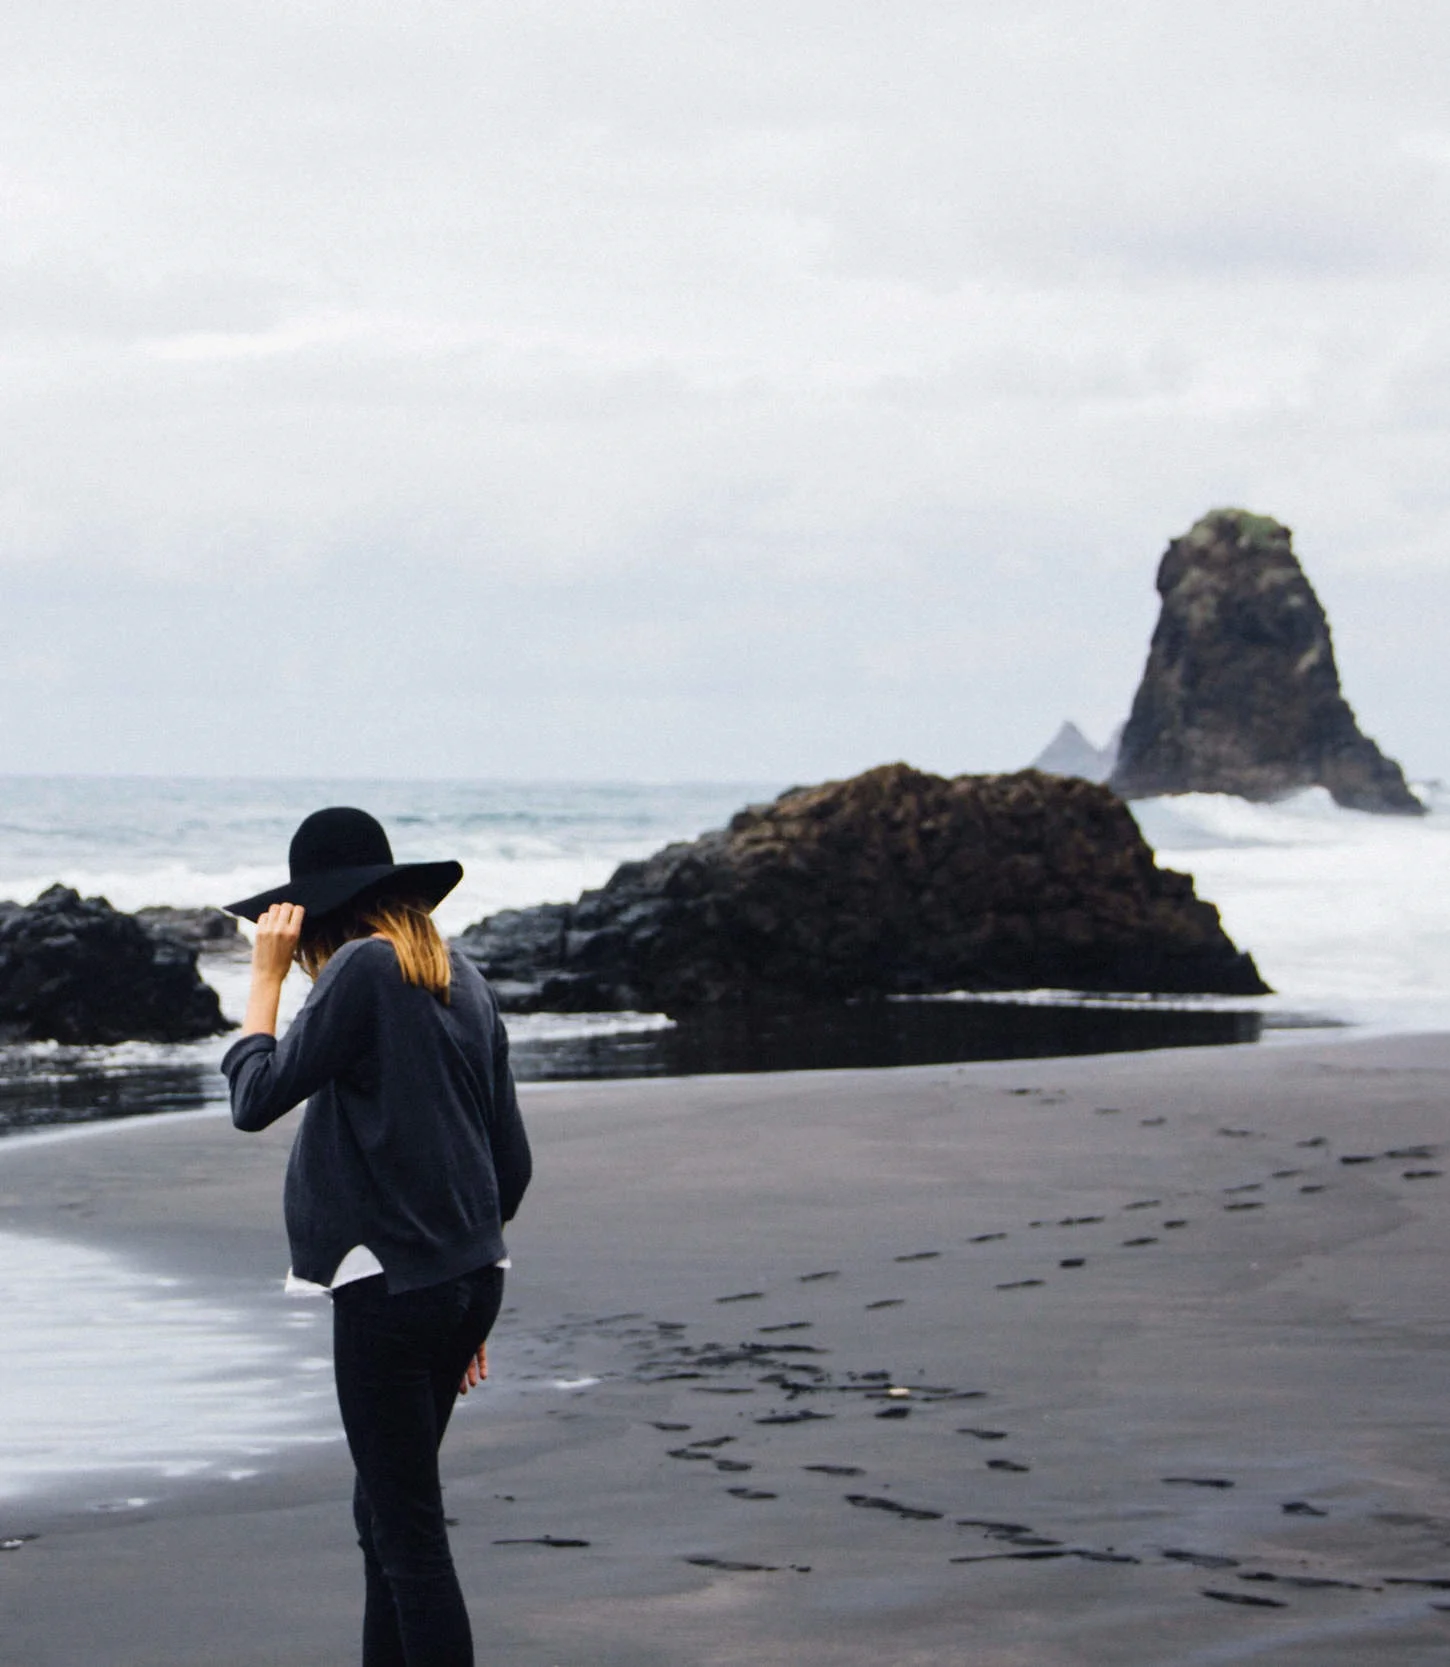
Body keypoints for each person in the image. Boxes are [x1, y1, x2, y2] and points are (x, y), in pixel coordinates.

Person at [221, 806, 531, 1667]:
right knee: (384, 1521)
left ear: (317, 916)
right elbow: (512, 1165)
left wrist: (265, 984)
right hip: (462, 1280)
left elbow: (255, 1098)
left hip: (392, 1290)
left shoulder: (357, 969)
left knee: (409, 1539)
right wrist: (462, 1299)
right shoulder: (462, 978)